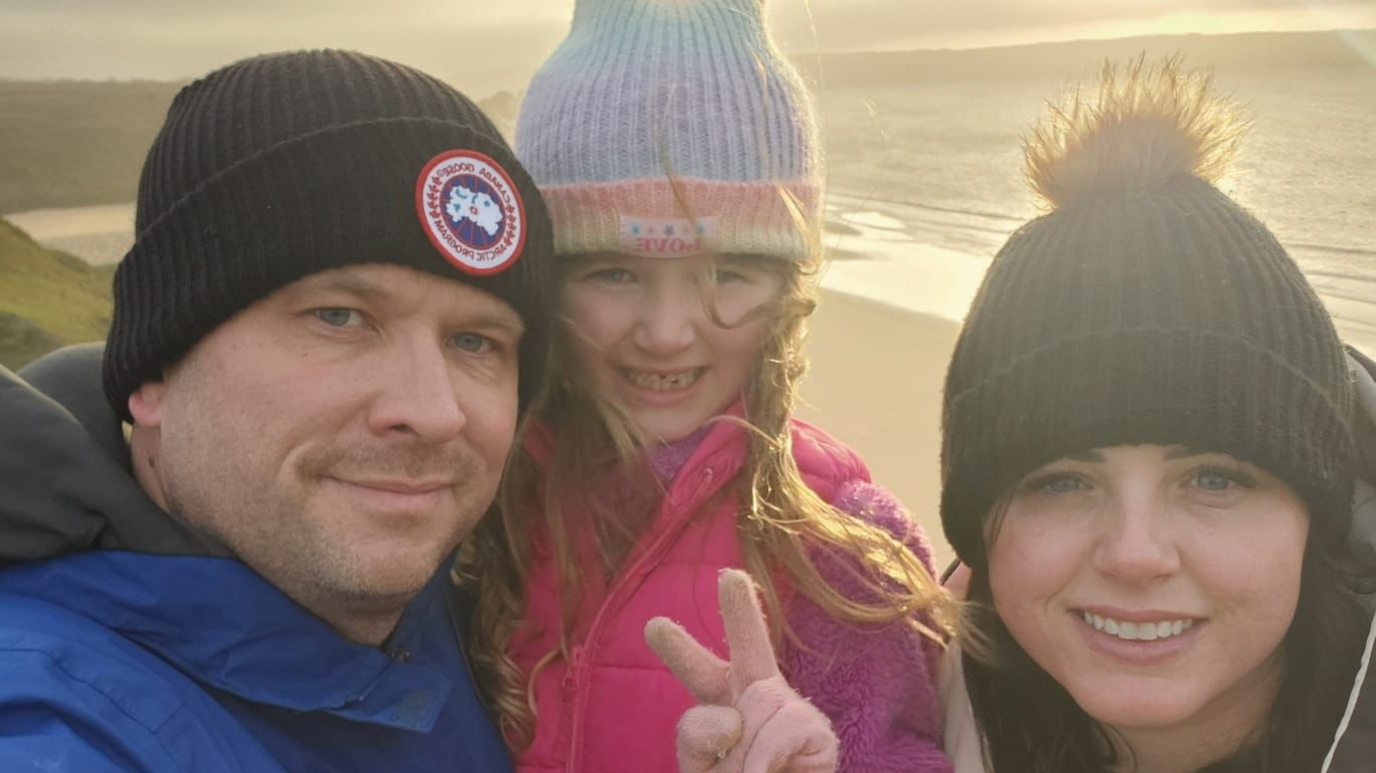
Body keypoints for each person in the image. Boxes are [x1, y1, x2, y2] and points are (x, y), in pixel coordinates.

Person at [0, 49, 553, 772]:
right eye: (339, 316)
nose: (434, 409)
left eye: (476, 340)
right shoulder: (55, 728)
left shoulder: (466, 602)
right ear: (154, 370)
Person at [453, 1, 956, 772]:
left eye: (728, 272)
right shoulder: (473, 501)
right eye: (613, 272)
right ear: (543, 283)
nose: (666, 330)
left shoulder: (838, 550)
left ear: (787, 288)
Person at [935, 57, 1376, 773]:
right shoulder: (895, 716)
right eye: (1062, 480)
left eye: (1214, 477)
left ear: (1315, 515)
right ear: (980, 528)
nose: (1136, 554)